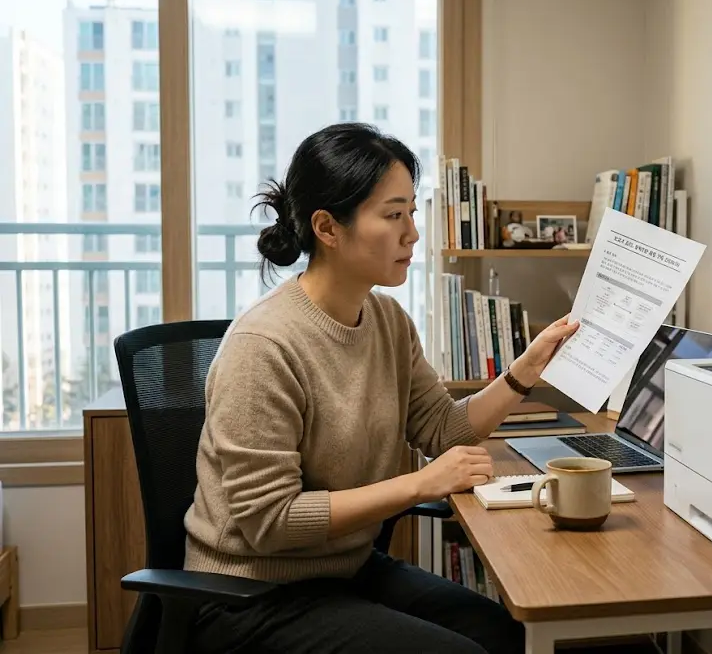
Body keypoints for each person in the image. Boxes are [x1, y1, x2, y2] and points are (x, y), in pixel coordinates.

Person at [184, 122, 579, 654]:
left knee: (505, 634)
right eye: (393, 216)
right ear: (327, 227)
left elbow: (443, 430)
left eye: (411, 212)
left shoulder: (388, 321)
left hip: (344, 571)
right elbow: (270, 523)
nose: (412, 233)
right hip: (251, 594)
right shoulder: (263, 346)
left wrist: (523, 372)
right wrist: (419, 484)